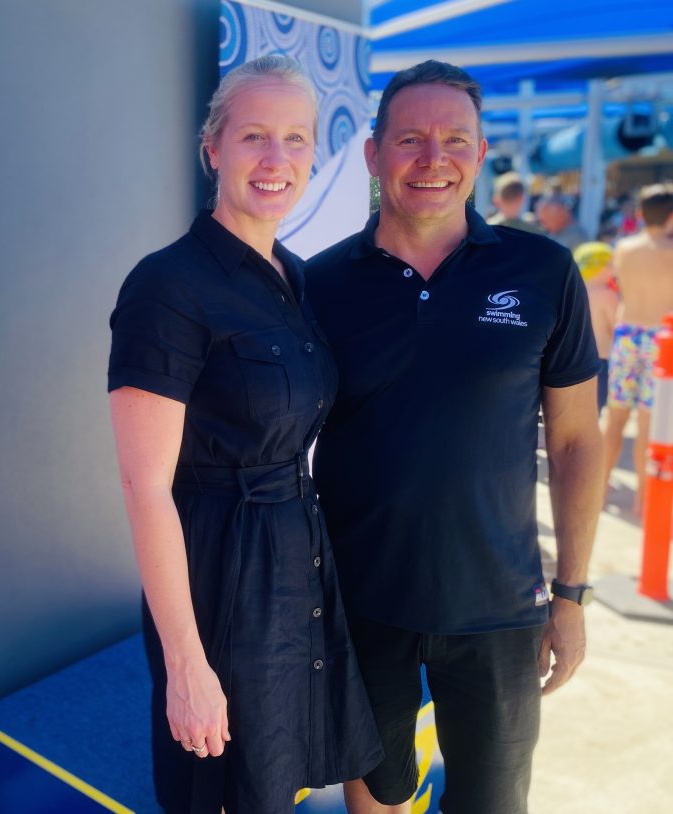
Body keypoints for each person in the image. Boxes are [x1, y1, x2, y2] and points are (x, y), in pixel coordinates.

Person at [306, 60, 603, 814]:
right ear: (374, 155)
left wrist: (570, 594)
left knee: (492, 803)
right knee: (377, 798)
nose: (433, 158)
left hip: (499, 604)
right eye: (410, 139)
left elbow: (575, 441)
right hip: (360, 600)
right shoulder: (320, 283)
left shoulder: (542, 270)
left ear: (480, 152)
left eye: (455, 140)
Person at [107, 55, 380, 813]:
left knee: (273, 778)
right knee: (223, 789)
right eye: (255, 135)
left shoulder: (292, 277)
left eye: (296, 139)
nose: (277, 159)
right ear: (213, 147)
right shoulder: (168, 286)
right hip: (221, 582)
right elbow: (145, 487)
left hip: (295, 568)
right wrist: (187, 664)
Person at [602, 183, 673, 515]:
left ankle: (598, 491)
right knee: (650, 424)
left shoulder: (624, 248)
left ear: (642, 214)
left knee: (614, 419)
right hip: (661, 340)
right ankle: (643, 504)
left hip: (627, 333)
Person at [572, 241, 619, 413]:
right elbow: (615, 327)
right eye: (611, 264)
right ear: (600, 267)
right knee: (594, 409)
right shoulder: (607, 295)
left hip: (574, 357)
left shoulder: (574, 289)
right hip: (600, 359)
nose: (614, 270)